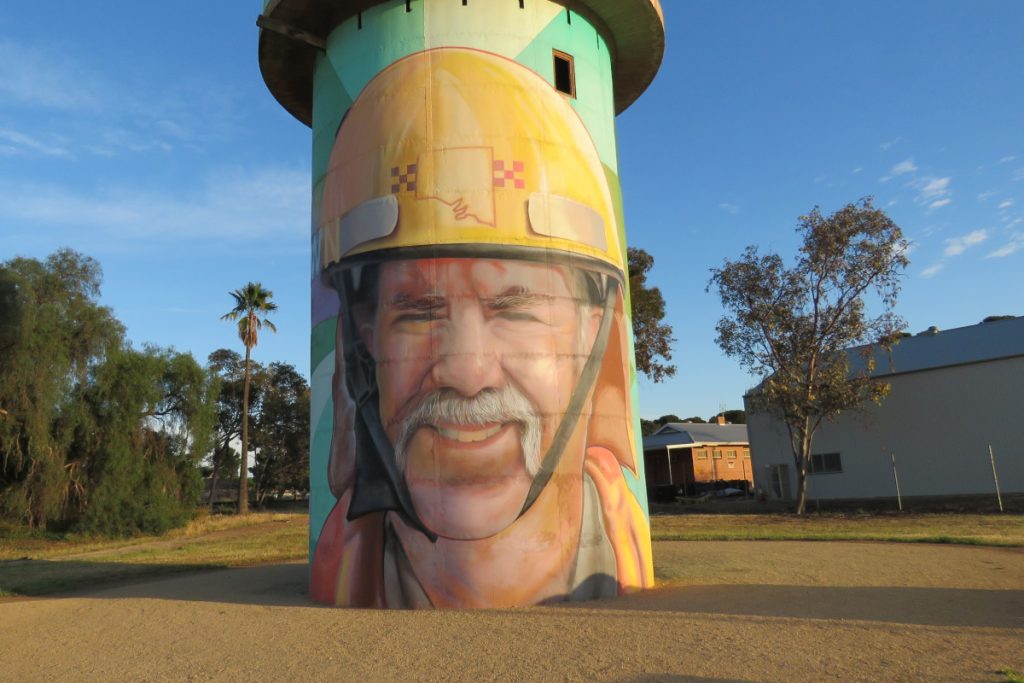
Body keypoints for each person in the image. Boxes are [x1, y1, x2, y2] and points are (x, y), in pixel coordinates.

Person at [310, 48, 653, 608]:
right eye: (419, 312)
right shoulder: (342, 561)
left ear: (592, 331)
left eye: (516, 309)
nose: (468, 372)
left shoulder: (626, 537)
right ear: (362, 339)